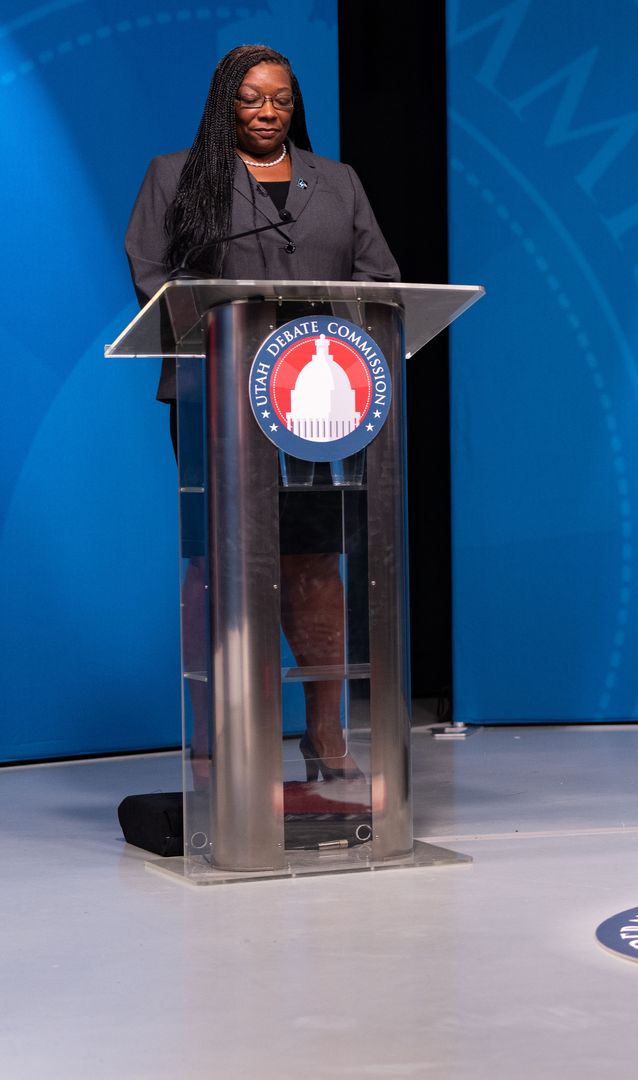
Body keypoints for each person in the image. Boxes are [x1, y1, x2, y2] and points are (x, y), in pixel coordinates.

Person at [126, 44, 400, 784]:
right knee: (218, 561)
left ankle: (324, 733)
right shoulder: (178, 176)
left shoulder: (337, 182)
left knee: (315, 561)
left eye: (280, 98)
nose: (268, 111)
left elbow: (382, 277)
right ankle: (216, 743)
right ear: (226, 103)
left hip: (318, 405)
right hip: (215, 393)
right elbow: (154, 276)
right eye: (252, 98)